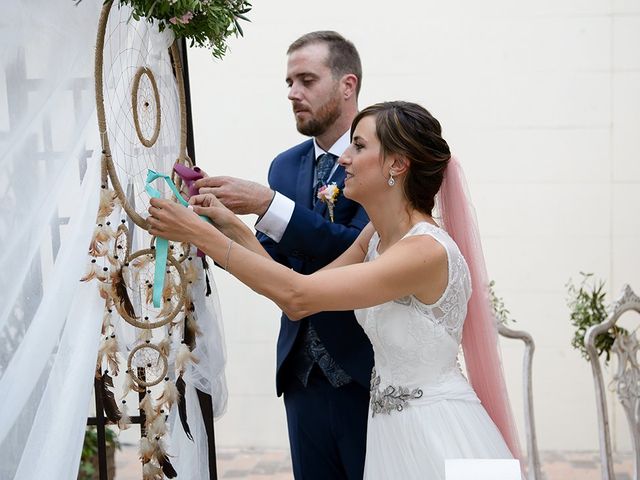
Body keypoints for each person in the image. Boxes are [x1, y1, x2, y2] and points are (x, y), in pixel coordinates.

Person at [148, 101, 522, 479]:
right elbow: (297, 297)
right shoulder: (374, 236)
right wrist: (231, 227)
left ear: (397, 164)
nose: (343, 159)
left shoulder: (424, 251)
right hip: (390, 432)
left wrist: (200, 236)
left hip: (438, 433)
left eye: (359, 147)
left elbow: (298, 295)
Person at [194, 31, 373, 479]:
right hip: (299, 373)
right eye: (289, 82)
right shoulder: (284, 166)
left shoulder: (379, 158)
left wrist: (266, 204)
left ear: (347, 85)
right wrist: (213, 224)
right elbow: (272, 265)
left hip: (365, 370)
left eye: (307, 79)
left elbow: (354, 248)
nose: (293, 93)